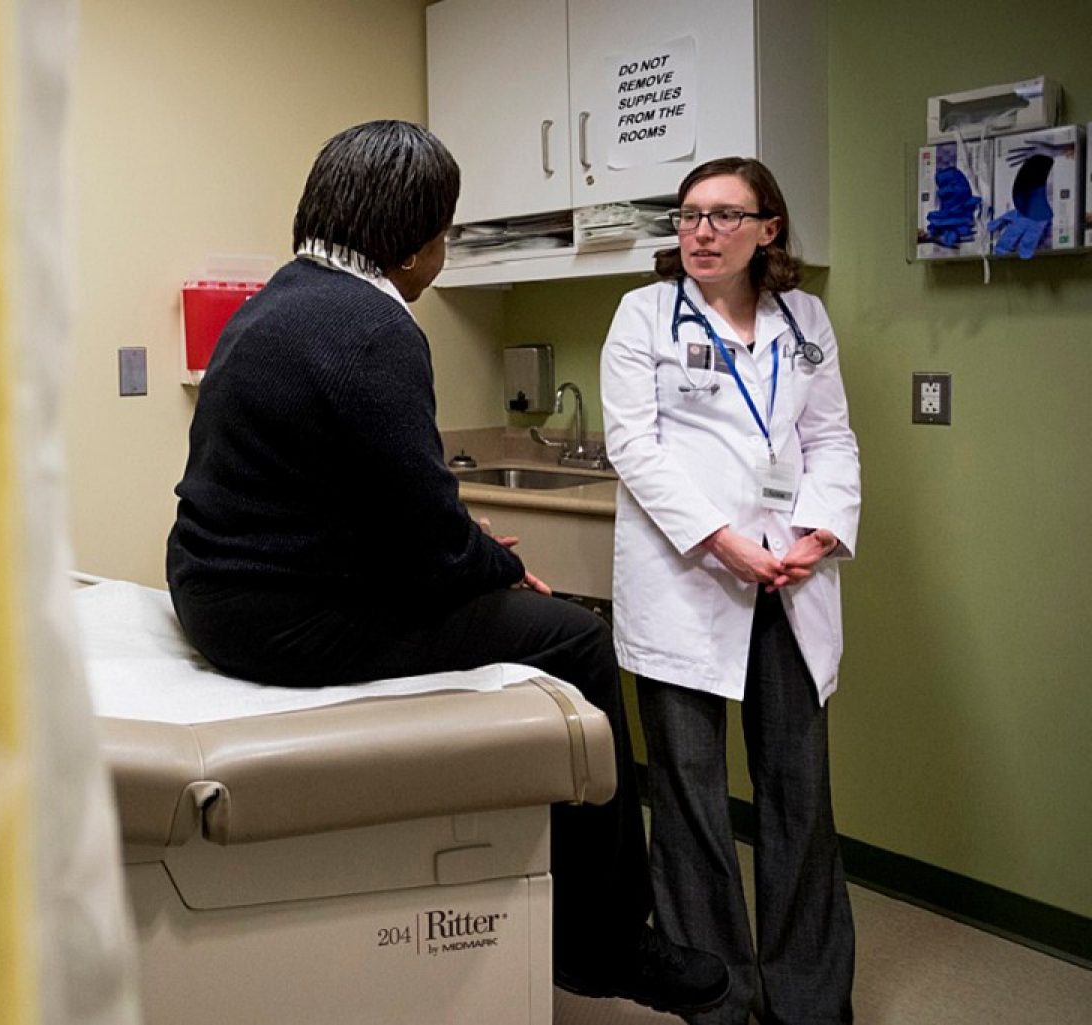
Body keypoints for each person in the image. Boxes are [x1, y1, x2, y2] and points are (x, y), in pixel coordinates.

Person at [165, 119, 728, 1016]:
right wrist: (493, 567)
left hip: (214, 591)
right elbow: (428, 542)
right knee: (577, 640)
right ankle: (605, 939)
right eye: (446, 234)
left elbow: (369, 499)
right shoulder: (374, 327)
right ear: (417, 238)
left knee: (507, 596)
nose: (444, 255)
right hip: (278, 622)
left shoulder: (275, 302)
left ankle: (589, 922)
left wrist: (467, 555)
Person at [599, 156, 861, 1025]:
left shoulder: (805, 318)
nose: (700, 232)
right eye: (687, 216)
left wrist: (819, 534)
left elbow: (832, 439)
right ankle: (717, 997)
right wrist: (723, 543)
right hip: (691, 578)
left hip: (791, 575)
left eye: (722, 215)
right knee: (689, 790)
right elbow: (634, 448)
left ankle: (809, 1000)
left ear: (768, 229)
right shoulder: (644, 314)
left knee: (798, 789)